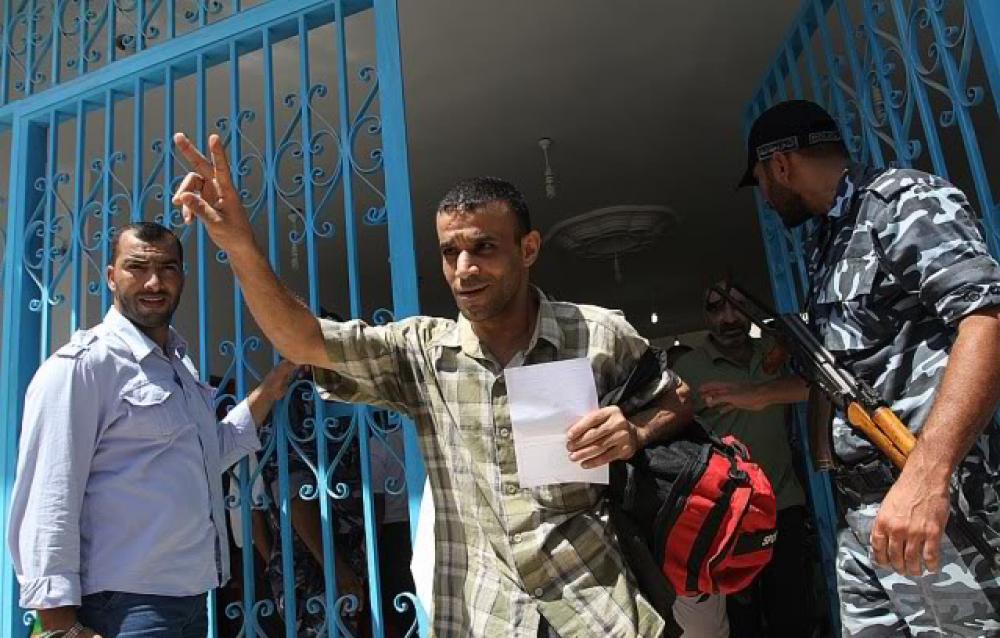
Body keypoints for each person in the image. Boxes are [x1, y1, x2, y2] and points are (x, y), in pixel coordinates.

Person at [170, 131, 695, 637]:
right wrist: (239, 245)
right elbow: (304, 341)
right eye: (450, 252)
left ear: (528, 248)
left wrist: (635, 432)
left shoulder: (598, 334)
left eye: (484, 247)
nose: (465, 268)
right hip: (485, 617)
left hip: (599, 611)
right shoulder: (421, 353)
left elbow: (677, 399)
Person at [708, 99, 1000, 635]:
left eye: (761, 181)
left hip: (934, 506)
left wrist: (927, 476)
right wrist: (763, 395)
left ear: (780, 166)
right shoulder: (827, 240)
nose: (766, 199)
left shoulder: (901, 202)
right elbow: (855, 375)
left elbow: (987, 322)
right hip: (866, 514)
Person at [8, 222, 299, 638]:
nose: (154, 282)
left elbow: (208, 454)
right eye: (137, 267)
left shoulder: (178, 368)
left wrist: (269, 390)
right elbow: (49, 494)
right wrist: (59, 626)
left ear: (182, 277)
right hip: (123, 605)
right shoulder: (83, 367)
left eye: (167, 268)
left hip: (191, 598)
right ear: (112, 277)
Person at [672, 282, 811, 637]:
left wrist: (760, 392)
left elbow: (817, 385)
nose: (729, 317)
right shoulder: (688, 369)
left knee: (792, 614)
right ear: (706, 316)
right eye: (716, 308)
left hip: (784, 503)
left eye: (737, 306)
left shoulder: (777, 351)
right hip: (727, 516)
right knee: (740, 620)